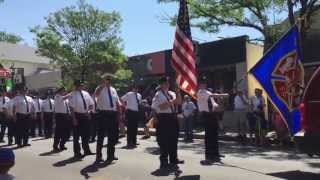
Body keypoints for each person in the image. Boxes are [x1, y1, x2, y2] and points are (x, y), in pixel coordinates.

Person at [151, 76, 183, 170]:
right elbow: (161, 107)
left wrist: (178, 92)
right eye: (165, 83)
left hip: (173, 118)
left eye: (168, 83)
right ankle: (164, 161)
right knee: (164, 141)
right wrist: (173, 101)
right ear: (161, 85)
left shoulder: (172, 93)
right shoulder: (158, 94)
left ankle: (174, 159)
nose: (167, 84)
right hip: (164, 118)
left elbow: (179, 102)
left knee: (174, 139)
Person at [197, 77, 226, 165]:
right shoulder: (200, 92)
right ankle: (208, 157)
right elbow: (211, 96)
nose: (204, 84)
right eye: (202, 83)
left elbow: (214, 104)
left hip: (213, 115)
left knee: (214, 135)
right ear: (200, 84)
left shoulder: (208, 92)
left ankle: (215, 154)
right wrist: (223, 95)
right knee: (209, 137)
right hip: (206, 115)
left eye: (205, 83)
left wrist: (221, 102)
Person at [94, 74, 121, 163]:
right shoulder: (100, 88)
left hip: (112, 114)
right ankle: (99, 156)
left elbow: (117, 102)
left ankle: (111, 155)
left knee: (112, 136)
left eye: (109, 80)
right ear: (103, 80)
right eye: (106, 80)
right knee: (101, 136)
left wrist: (119, 114)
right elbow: (96, 95)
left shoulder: (113, 89)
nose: (108, 81)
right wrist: (102, 85)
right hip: (103, 114)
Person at [69, 80, 94, 158]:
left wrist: (89, 112)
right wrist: (74, 119)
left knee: (86, 134)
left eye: (81, 85)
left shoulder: (86, 93)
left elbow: (91, 104)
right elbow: (71, 108)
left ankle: (87, 150)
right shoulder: (72, 94)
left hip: (85, 115)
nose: (80, 86)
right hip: (77, 116)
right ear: (75, 86)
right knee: (76, 136)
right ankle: (77, 152)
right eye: (78, 85)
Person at [121, 84, 142, 148]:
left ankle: (134, 141)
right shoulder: (129, 94)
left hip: (136, 112)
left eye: (137, 88)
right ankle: (129, 142)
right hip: (130, 112)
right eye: (134, 88)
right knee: (130, 128)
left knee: (135, 127)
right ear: (132, 89)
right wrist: (125, 107)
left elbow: (139, 104)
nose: (135, 89)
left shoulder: (139, 95)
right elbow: (122, 99)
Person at [53, 87, 71, 152]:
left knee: (67, 132)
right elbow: (64, 98)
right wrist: (71, 94)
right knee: (58, 132)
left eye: (65, 91)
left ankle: (62, 144)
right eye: (64, 91)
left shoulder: (66, 99)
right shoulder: (57, 96)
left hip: (66, 116)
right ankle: (55, 146)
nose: (65, 92)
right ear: (60, 91)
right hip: (60, 116)